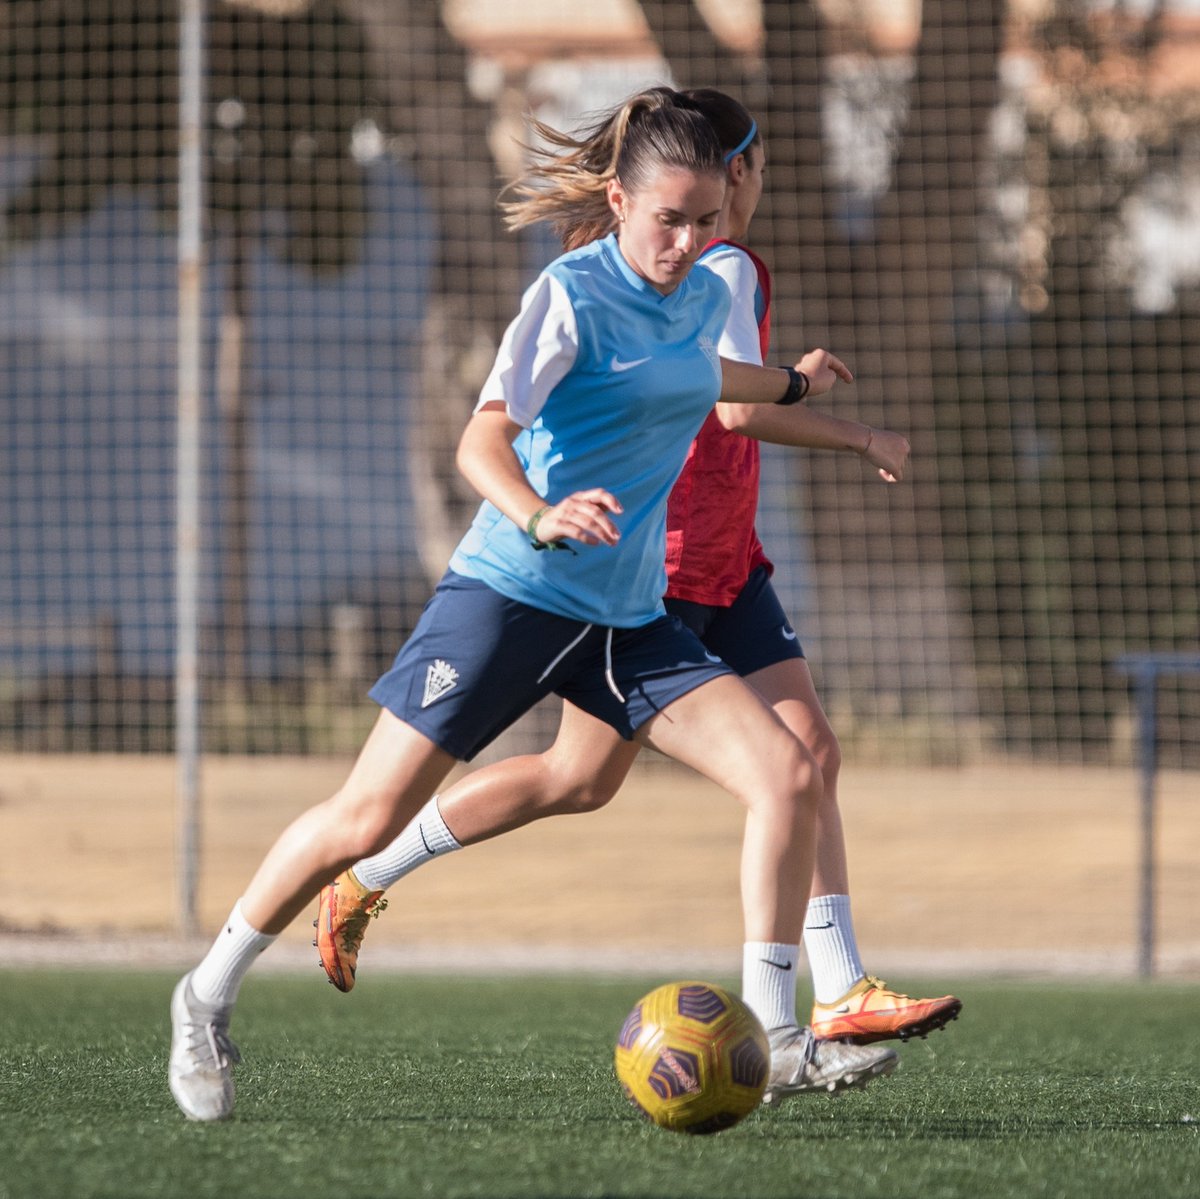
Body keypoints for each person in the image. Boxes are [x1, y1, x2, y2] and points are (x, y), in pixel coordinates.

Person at [168, 86, 899, 1123]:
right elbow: (482, 438)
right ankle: (205, 993)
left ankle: (780, 1038)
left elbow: (708, 377)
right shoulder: (570, 293)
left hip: (628, 617)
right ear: (618, 198)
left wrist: (796, 386)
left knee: (786, 773)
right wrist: (541, 512)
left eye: (702, 220)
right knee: (364, 815)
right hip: (510, 593)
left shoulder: (699, 289)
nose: (688, 241)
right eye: (667, 220)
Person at [316, 89, 961, 1052]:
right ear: (744, 167)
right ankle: (367, 872)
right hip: (668, 567)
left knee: (794, 755)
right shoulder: (725, 263)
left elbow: (729, 391)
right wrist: (855, 430)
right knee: (579, 779)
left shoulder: (703, 261)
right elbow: (735, 410)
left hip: (730, 561)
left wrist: (799, 387)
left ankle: (830, 996)